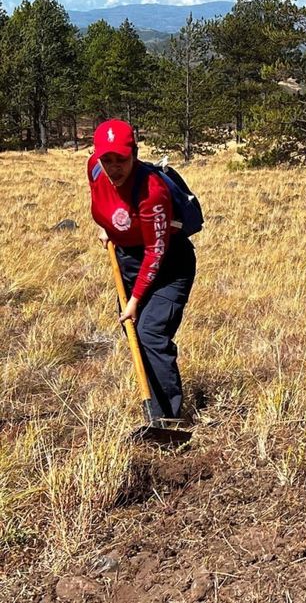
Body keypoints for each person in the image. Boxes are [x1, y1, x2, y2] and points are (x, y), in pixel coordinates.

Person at [87, 119, 196, 424]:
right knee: (133, 331)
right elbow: (101, 202)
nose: (113, 167)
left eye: (120, 159)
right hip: (129, 259)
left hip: (169, 266)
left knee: (150, 333)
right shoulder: (95, 169)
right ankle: (153, 409)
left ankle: (168, 421)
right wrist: (106, 227)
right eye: (107, 159)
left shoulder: (152, 191)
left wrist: (133, 301)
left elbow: (156, 252)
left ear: (133, 153)